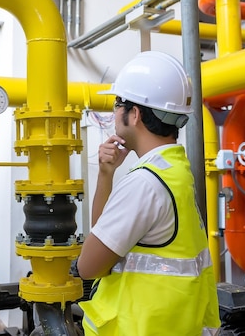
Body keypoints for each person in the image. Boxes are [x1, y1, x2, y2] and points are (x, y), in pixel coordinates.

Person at [77, 51, 220, 335]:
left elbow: (89, 266)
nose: (115, 113)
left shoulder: (145, 183)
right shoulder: (174, 171)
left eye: (119, 104)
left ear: (135, 114)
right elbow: (105, 236)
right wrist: (106, 174)